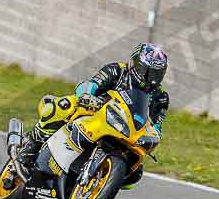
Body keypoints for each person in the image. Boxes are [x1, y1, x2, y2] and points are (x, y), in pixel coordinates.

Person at [9, 43, 170, 189]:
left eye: (156, 74)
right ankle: (31, 145)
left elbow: (156, 126)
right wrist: (87, 95)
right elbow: (93, 84)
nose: (150, 78)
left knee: (135, 174)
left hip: (126, 130)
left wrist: (152, 139)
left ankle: (101, 181)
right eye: (146, 71)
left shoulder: (160, 97)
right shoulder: (117, 70)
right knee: (60, 106)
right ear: (134, 63)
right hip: (94, 112)